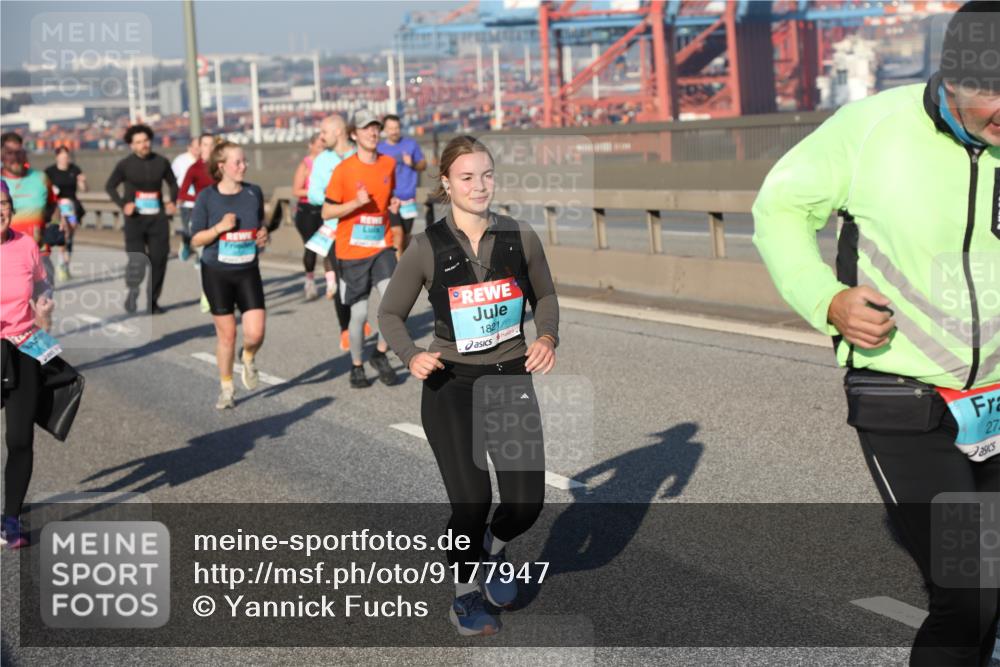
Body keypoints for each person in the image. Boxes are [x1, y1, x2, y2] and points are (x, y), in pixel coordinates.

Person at [753, 4, 1000, 664]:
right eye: (987, 92)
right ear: (950, 78)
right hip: (905, 394)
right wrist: (826, 298)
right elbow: (777, 209)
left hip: (998, 396)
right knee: (969, 593)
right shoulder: (870, 129)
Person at [378, 135, 559, 635]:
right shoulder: (425, 247)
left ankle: (494, 550)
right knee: (472, 502)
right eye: (466, 177)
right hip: (451, 385)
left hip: (509, 381)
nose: (479, 186)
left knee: (525, 504)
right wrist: (412, 355)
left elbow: (545, 295)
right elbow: (390, 313)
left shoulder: (520, 237)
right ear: (446, 184)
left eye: (486, 175)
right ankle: (464, 596)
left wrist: (546, 336)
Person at [322, 109, 401, 387]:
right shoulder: (343, 170)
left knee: (395, 302)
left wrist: (392, 204)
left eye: (375, 127)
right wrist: (355, 203)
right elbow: (326, 211)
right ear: (354, 134)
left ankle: (380, 354)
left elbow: (387, 195)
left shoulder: (388, 164)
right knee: (357, 314)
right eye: (366, 128)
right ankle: (356, 365)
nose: (373, 132)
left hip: (381, 246)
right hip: (351, 252)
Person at [190, 141, 269, 410]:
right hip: (217, 273)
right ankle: (226, 388)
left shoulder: (253, 192)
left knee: (256, 333)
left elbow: (260, 227)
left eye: (245, 161)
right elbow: (195, 239)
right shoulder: (207, 198)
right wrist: (220, 228)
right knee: (227, 336)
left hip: (248, 270)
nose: (243, 166)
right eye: (238, 162)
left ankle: (247, 357)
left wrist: (263, 236)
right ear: (221, 166)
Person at [0, 180, 56, 549]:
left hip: (22, 347)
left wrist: (44, 308)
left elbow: (40, 287)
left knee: (20, 439)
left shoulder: (25, 245)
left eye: (3, 203)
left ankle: (11, 518)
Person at [105, 124, 178, 315]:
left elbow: (173, 183)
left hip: (158, 219)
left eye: (146, 141)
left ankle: (152, 302)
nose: (143, 145)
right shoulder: (125, 165)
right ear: (131, 145)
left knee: (159, 260)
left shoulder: (161, 162)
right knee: (137, 260)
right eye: (138, 142)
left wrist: (173, 201)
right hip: (135, 220)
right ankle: (133, 291)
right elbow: (110, 186)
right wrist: (124, 205)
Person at [308, 114, 366, 350]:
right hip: (334, 229)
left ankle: (360, 317)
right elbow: (313, 194)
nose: (321, 138)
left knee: (361, 278)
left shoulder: (360, 153)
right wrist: (341, 202)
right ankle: (345, 328)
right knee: (341, 278)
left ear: (338, 132)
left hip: (363, 227)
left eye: (324, 132)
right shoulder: (322, 160)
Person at [1, 132, 61, 284]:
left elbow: (53, 205)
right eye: (10, 153)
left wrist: (54, 226)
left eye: (19, 152)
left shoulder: (41, 178)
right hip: (6, 253)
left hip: (39, 251)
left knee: (43, 302)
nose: (16, 158)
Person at [179, 134, 217, 313]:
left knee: (222, 257)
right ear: (199, 147)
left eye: (212, 144)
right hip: (201, 217)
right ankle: (206, 292)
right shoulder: (194, 169)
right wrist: (201, 198)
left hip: (220, 217)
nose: (208, 148)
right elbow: (182, 194)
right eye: (205, 144)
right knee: (205, 258)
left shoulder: (221, 166)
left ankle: (224, 290)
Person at [377, 114, 426, 251]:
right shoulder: (379, 149)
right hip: (390, 199)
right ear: (384, 130)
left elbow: (423, 165)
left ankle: (405, 263)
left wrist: (412, 164)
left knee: (405, 236)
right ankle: (397, 269)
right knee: (396, 235)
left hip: (408, 198)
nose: (394, 131)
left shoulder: (410, 144)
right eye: (390, 128)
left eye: (396, 128)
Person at [292, 133, 327, 301]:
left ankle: (332, 282)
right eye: (319, 144)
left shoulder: (330, 163)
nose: (322, 147)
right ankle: (310, 281)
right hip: (307, 210)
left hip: (325, 208)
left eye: (324, 144)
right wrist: (315, 192)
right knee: (311, 247)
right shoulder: (305, 165)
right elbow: (296, 190)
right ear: (311, 145)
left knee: (329, 246)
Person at [44, 146, 86, 281]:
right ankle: (61, 264)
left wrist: (82, 182)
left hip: (71, 206)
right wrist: (51, 189)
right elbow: (43, 189)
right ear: (57, 157)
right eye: (62, 156)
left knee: (70, 234)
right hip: (57, 207)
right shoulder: (50, 171)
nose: (65, 159)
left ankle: (65, 262)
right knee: (65, 231)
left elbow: (84, 189)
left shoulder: (75, 169)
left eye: (66, 156)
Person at [171, 136, 199, 262]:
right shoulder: (180, 161)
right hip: (186, 202)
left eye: (201, 147)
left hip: (202, 202)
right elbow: (171, 180)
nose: (198, 150)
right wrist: (176, 197)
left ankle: (201, 256)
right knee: (188, 229)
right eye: (196, 147)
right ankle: (186, 244)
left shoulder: (206, 161)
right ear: (189, 147)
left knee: (202, 229)